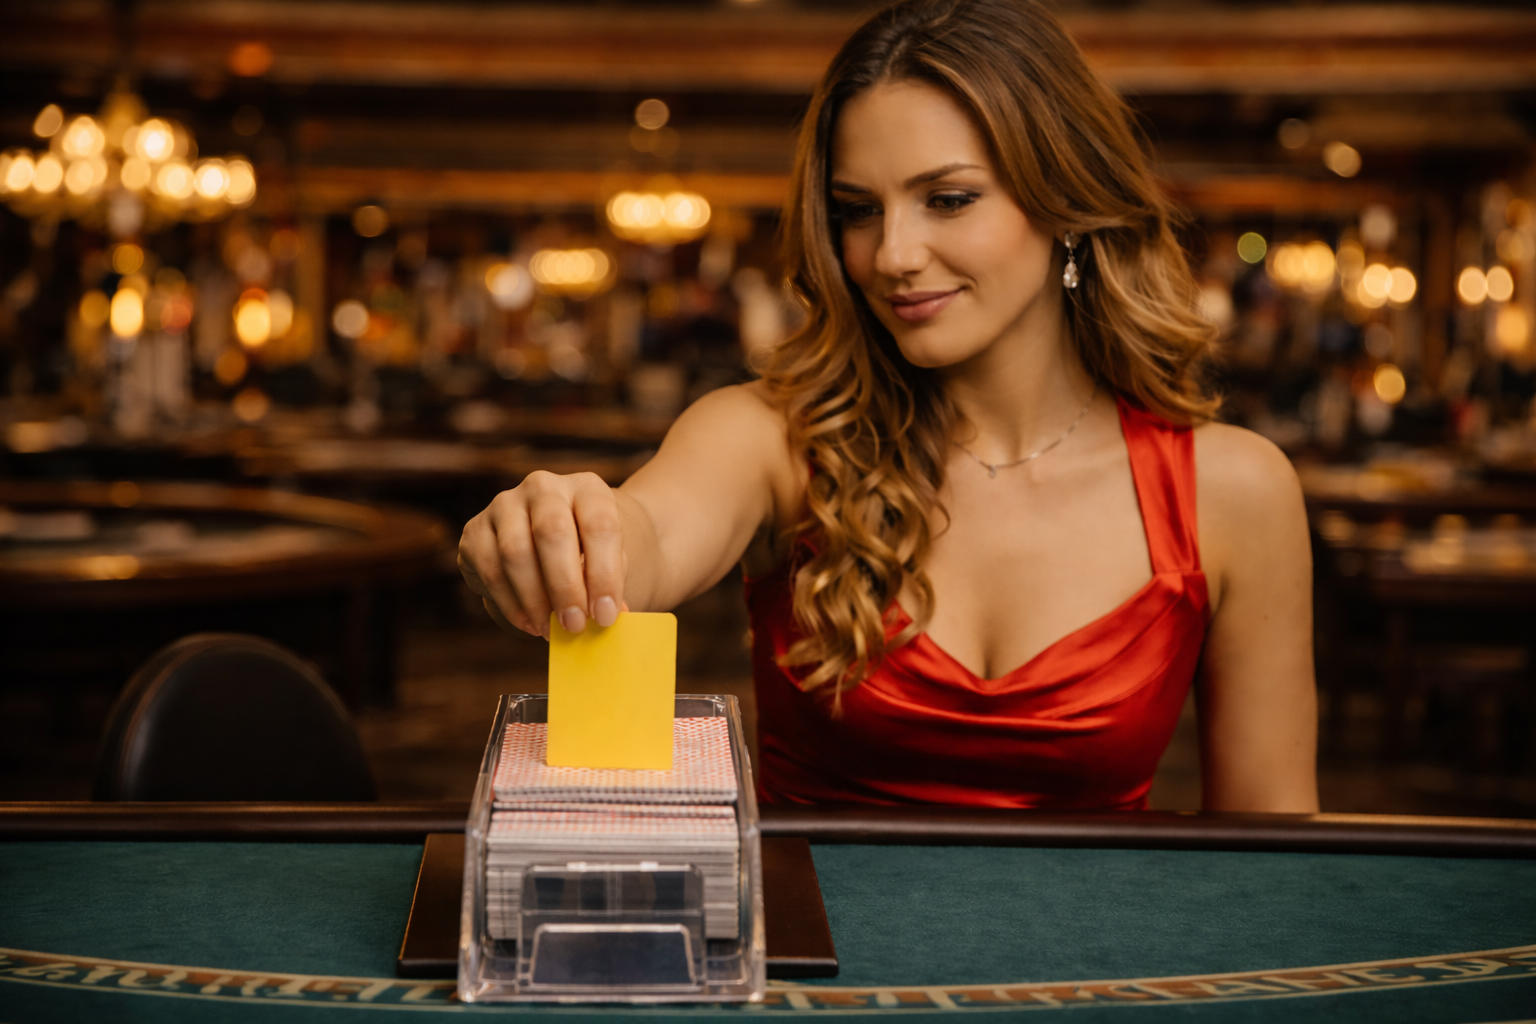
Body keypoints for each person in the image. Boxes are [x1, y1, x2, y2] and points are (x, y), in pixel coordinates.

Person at [459, 0, 1318, 812]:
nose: (892, 254)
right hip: (812, 961)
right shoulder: (770, 435)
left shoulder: (1234, 490)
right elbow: (650, 535)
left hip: (1089, 967)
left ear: (1066, 203)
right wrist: (567, 533)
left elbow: (1270, 856)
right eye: (857, 211)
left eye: (948, 199)